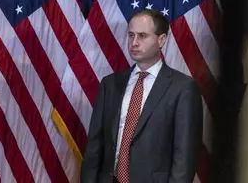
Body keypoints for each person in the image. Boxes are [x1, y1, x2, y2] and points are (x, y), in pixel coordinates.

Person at [80, 9, 203, 183]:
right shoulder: (110, 84)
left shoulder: (183, 88)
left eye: (142, 36)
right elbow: (94, 147)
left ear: (161, 40)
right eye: (131, 35)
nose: (134, 43)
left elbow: (185, 155)